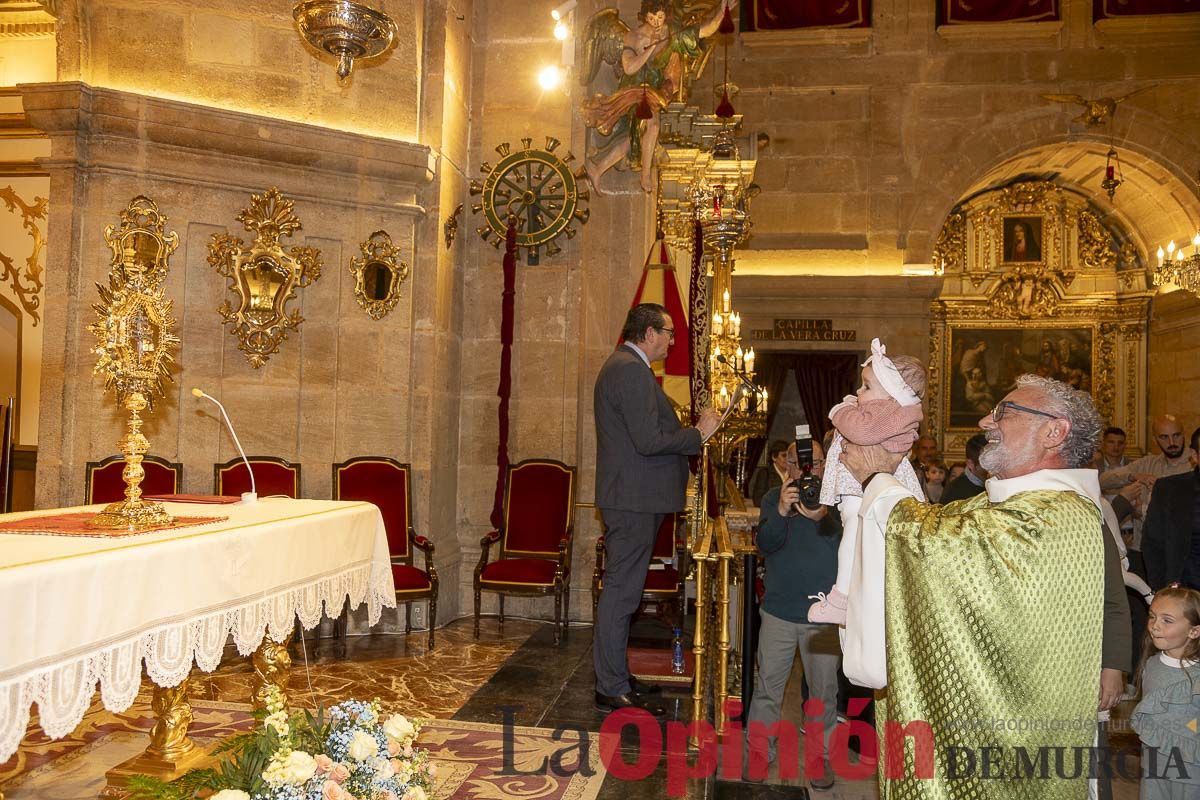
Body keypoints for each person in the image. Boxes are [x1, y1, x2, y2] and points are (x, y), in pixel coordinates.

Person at [839, 374, 1129, 799]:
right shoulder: (1017, 503)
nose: (984, 422)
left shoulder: (1053, 512)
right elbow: (947, 535)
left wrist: (877, 479)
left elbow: (935, 543)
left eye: (1004, 412)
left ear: (1055, 431)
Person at [593, 303, 720, 715]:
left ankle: (617, 676)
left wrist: (688, 432)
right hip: (632, 501)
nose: (672, 339)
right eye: (668, 332)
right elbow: (648, 441)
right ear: (648, 332)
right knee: (620, 594)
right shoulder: (629, 370)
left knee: (624, 594)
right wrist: (696, 435)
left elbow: (647, 434)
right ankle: (609, 685)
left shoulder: (629, 367)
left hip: (635, 498)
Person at [808, 338, 925, 625]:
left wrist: (840, 411)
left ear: (892, 395)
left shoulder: (889, 414)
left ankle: (842, 598)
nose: (858, 391)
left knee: (854, 535)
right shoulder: (888, 411)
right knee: (856, 536)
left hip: (866, 487)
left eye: (867, 386)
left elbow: (860, 431)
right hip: (862, 487)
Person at [746, 439, 840, 791]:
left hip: (823, 614)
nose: (805, 470)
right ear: (785, 464)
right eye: (798, 462)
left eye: (813, 463)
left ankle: (820, 759)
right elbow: (765, 545)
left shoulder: (836, 499)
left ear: (822, 465)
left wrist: (822, 518)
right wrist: (783, 513)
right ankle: (759, 753)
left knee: (822, 692)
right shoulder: (774, 497)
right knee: (768, 688)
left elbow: (846, 542)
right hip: (779, 611)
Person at [581, 0, 735, 194]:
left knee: (634, 138)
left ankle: (598, 169)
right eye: (652, 18)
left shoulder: (672, 34)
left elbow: (705, 30)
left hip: (653, 91)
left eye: (660, 18)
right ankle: (644, 176)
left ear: (666, 16)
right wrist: (650, 50)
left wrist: (722, 12)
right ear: (645, 16)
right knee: (653, 126)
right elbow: (629, 68)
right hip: (634, 90)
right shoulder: (633, 36)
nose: (656, 22)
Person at [1101, 415, 1197, 579]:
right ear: (1155, 439)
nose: (1172, 442)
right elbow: (1103, 480)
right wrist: (1133, 475)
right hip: (1142, 550)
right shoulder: (1147, 463)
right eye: (1164, 437)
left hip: (1183, 553)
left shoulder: (1193, 464)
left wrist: (1143, 510)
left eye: (1176, 435)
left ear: (1183, 433)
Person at [1130, 586, 1200, 800]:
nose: (1155, 626)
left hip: (1191, 770)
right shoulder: (1151, 664)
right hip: (1154, 765)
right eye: (1152, 617)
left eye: (1167, 620)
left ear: (1194, 631)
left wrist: (1188, 729)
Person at [1142, 427, 1200, 592]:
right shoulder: (1169, 489)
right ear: (1195, 456)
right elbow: (1152, 544)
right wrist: (1163, 592)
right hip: (1185, 593)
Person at [939, 432, 989, 503]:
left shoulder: (994, 482)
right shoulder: (955, 493)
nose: (993, 466)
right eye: (987, 462)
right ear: (970, 464)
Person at [749, 440, 789, 508]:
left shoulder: (794, 473)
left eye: (789, 456)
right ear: (774, 457)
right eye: (784, 455)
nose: (787, 459)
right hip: (772, 513)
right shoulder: (765, 473)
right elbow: (758, 500)